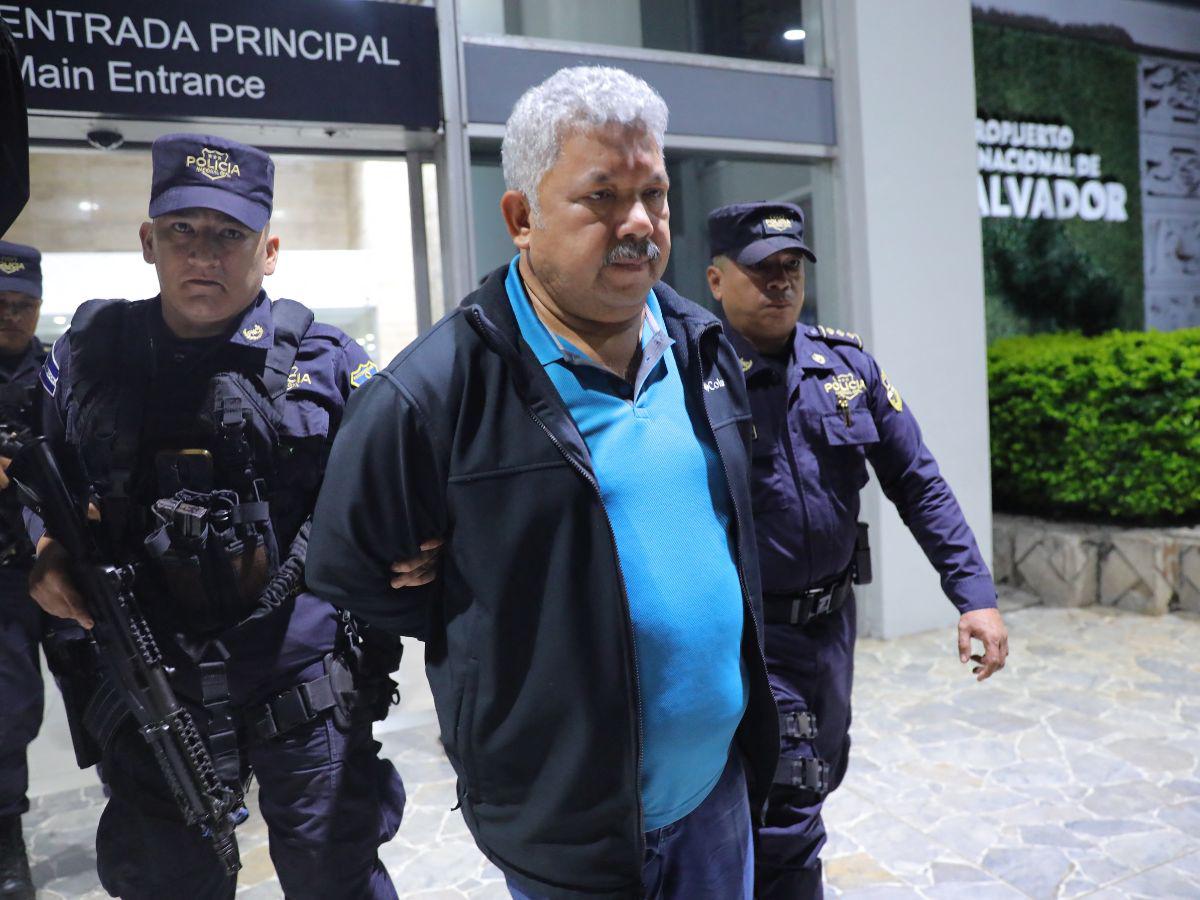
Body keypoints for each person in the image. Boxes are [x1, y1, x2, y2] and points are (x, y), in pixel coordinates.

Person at [306, 66, 779, 900]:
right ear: (521, 218)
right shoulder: (432, 391)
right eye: (603, 197)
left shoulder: (702, 347)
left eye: (654, 195)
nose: (640, 224)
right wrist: (470, 588)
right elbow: (355, 571)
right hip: (567, 826)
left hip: (716, 796)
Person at [25, 133, 405, 900]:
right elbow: (40, 476)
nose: (204, 253)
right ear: (148, 242)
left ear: (269, 250)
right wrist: (44, 548)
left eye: (230, 234)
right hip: (151, 686)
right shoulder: (89, 355)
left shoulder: (330, 362)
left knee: (337, 881)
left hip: (302, 689)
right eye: (182, 230)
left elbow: (401, 492)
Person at [704, 201, 1010, 899]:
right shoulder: (695, 380)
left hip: (831, 631)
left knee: (817, 772)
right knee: (790, 803)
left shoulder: (844, 367)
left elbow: (918, 482)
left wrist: (975, 596)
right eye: (761, 269)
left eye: (792, 267)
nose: (781, 282)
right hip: (754, 636)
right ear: (717, 280)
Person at [0, 240, 45, 900]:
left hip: (63, 563)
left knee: (108, 698)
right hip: (4, 579)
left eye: (21, 303)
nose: (10, 315)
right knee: (6, 714)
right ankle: (7, 839)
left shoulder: (64, 371)